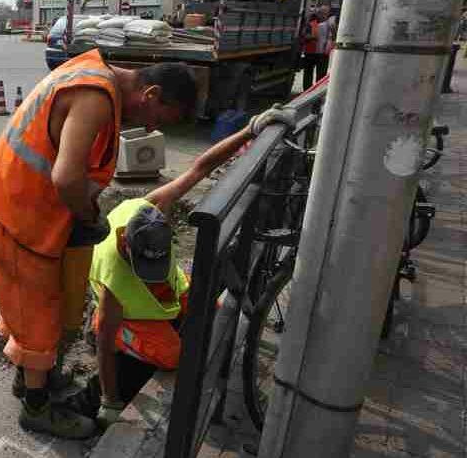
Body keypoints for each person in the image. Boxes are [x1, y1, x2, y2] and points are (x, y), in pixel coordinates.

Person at [0, 49, 198, 439]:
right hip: (19, 216)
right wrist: (87, 216)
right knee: (40, 315)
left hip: (20, 207)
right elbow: (64, 178)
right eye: (157, 119)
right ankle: (37, 408)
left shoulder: (91, 70)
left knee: (32, 309)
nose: (149, 129)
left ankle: (31, 379)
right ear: (150, 94)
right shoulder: (95, 97)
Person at [68, 105, 298, 427]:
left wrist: (250, 130)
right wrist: (109, 400)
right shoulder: (114, 281)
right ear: (128, 253)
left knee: (214, 315)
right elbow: (104, 348)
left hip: (165, 296)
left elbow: (200, 168)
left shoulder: (146, 208)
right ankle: (129, 337)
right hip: (128, 319)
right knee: (174, 356)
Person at [302, 9, 321, 90]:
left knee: (308, 72)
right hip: (316, 51)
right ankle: (313, 90)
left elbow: (312, 36)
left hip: (310, 51)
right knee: (316, 73)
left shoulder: (312, 24)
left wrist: (305, 37)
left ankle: (307, 89)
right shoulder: (316, 24)